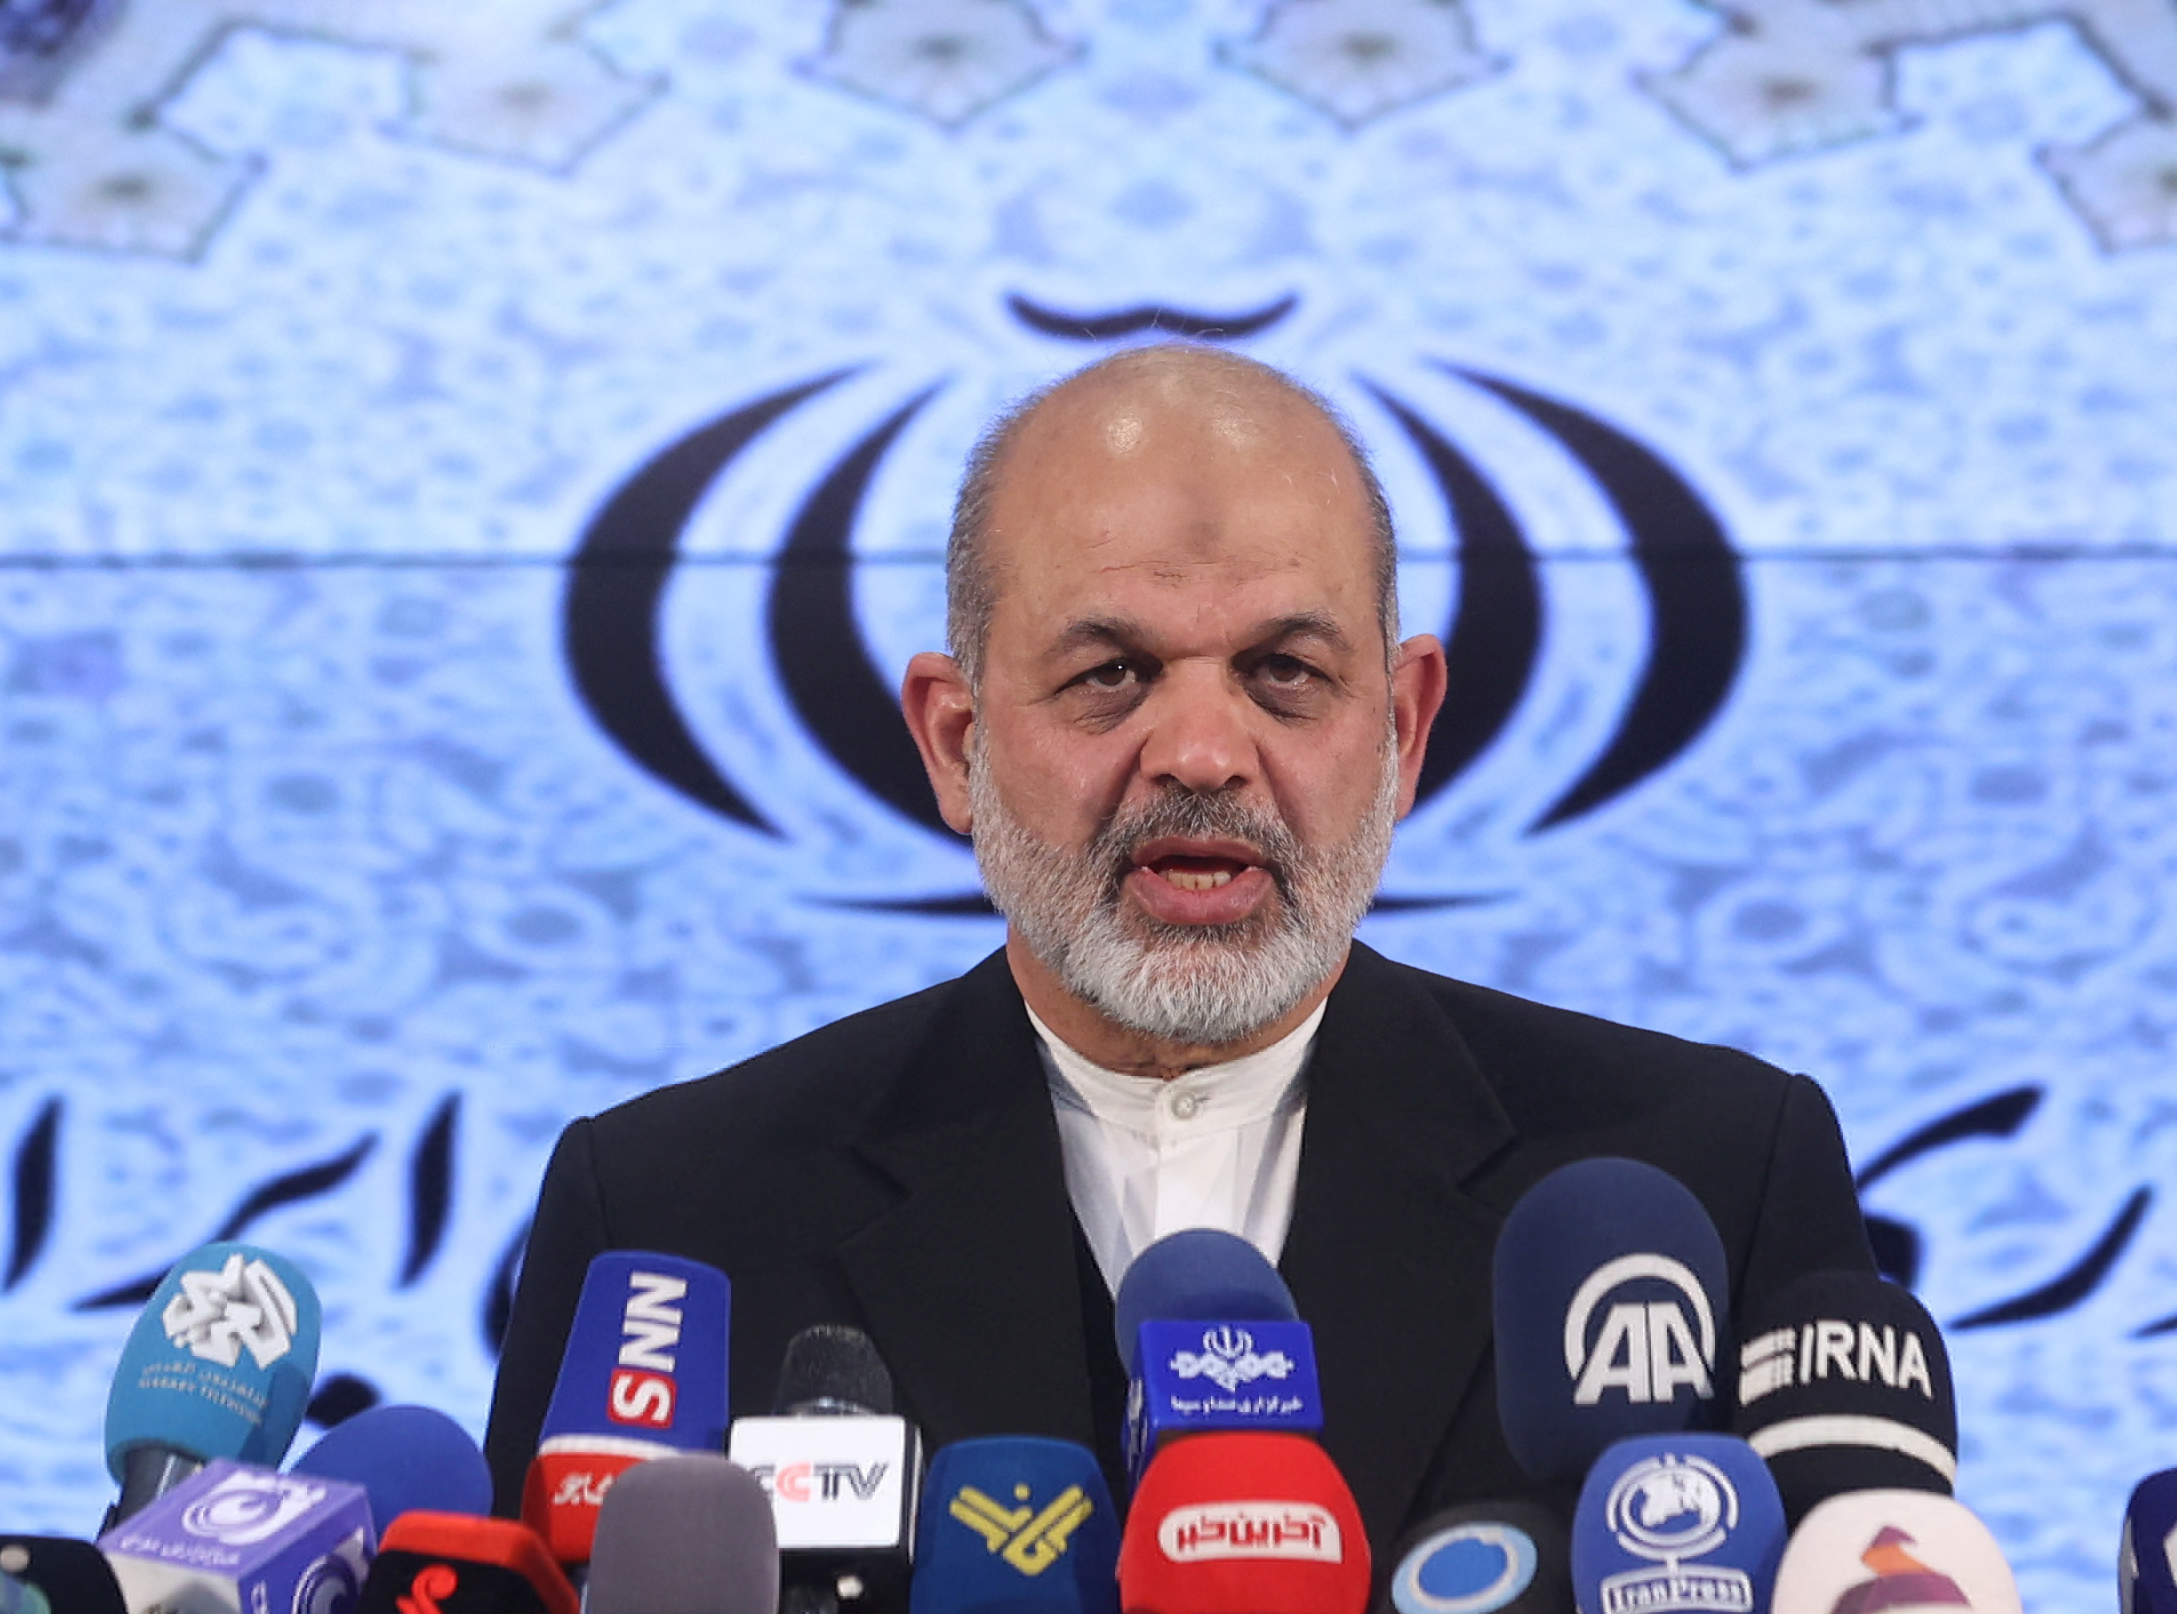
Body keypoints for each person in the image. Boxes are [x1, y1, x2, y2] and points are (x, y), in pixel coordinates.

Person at [478, 341, 1870, 1549]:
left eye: (1285, 673)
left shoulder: (1711, 1182)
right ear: (955, 743)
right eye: (1112, 675)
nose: (1203, 752)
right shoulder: (671, 1220)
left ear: (1402, 727)